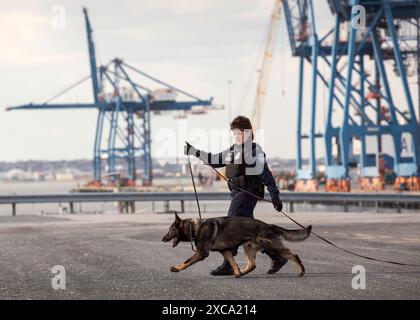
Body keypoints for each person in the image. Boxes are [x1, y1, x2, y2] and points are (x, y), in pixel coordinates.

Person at [184, 115, 287, 276]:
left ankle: (227, 264)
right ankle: (278, 255)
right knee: (252, 232)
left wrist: (275, 195)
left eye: (239, 133)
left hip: (248, 194)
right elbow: (214, 159)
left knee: (229, 226)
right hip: (237, 194)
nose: (236, 137)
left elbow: (266, 175)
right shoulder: (233, 150)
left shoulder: (255, 151)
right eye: (234, 134)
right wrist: (194, 151)